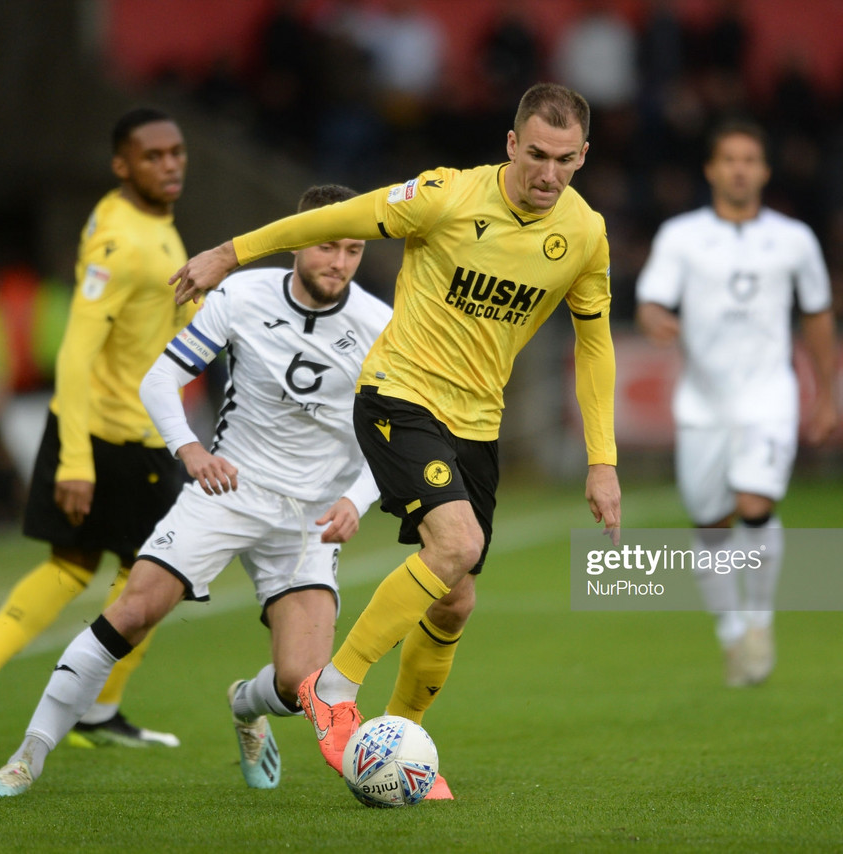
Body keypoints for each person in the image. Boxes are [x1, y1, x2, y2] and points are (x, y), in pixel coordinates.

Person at [170, 82, 622, 793]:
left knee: (455, 598)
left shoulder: (586, 235)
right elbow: (339, 216)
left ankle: (395, 744)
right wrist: (232, 252)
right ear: (511, 144)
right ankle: (333, 686)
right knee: (458, 545)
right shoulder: (445, 195)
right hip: (399, 398)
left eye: (565, 160)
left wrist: (603, 461)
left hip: (476, 424)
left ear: (584, 157)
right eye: (536, 153)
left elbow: (594, 347)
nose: (548, 173)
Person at [0, 185, 390, 797]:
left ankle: (246, 707)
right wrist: (190, 450)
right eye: (328, 245)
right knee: (135, 609)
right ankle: (26, 757)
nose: (340, 263)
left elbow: (396, 434)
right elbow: (160, 380)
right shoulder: (242, 295)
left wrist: (357, 498)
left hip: (309, 519)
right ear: (298, 240)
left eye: (354, 250)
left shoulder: (380, 326)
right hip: (228, 491)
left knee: (301, 683)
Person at [0, 108, 194, 751]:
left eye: (176, 153)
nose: (169, 164)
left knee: (73, 564)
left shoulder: (136, 220)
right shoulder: (122, 238)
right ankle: (95, 708)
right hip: (115, 439)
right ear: (120, 165)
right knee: (159, 577)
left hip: (120, 432)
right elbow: (77, 351)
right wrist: (75, 460)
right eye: (152, 156)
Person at [635, 120, 838, 686]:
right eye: (729, 159)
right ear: (711, 170)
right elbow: (651, 300)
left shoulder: (795, 239)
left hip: (769, 395)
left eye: (750, 159)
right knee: (710, 525)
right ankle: (730, 631)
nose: (740, 169)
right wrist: (656, 320)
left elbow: (818, 315)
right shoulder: (681, 235)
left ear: (765, 171)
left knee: (755, 503)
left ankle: (759, 622)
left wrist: (827, 393)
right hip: (702, 404)